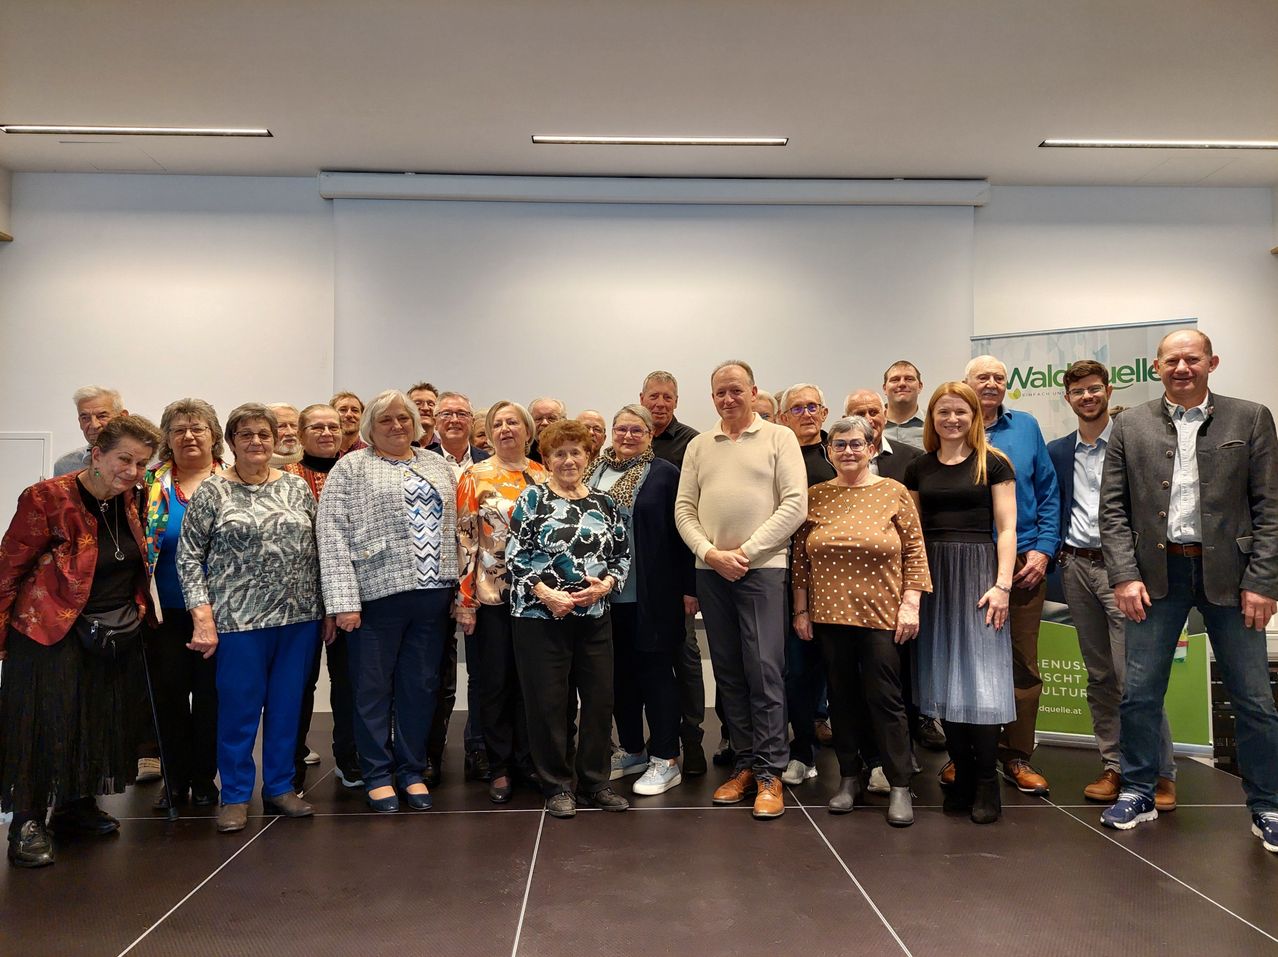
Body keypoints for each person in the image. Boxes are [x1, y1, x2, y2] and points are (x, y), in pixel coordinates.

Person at [1100, 330, 1278, 852]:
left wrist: (1263, 580)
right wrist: (1123, 575)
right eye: (1172, 360)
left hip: (1232, 577)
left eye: (1192, 359)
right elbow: (1113, 509)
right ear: (1156, 367)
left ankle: (1267, 804)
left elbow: (1270, 508)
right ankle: (1138, 790)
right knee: (1139, 693)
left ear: (1211, 363)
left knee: (1254, 698)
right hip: (1156, 576)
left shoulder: (1251, 418)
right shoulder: (1128, 424)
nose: (1182, 367)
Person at [0, 414, 161, 868]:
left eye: (141, 463)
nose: (132, 471)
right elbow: (8, 569)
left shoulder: (133, 497)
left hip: (110, 630)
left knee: (93, 719)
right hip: (48, 631)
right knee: (44, 726)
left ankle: (74, 807)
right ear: (97, 454)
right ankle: (27, 823)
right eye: (124, 459)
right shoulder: (46, 497)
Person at [178, 403, 326, 834]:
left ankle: (280, 787)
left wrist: (328, 608)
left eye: (264, 434)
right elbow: (188, 558)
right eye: (246, 435)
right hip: (238, 621)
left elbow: (319, 549)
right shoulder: (212, 491)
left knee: (287, 707)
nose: (257, 442)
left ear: (275, 440)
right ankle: (236, 795)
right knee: (239, 711)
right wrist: (202, 616)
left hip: (299, 618)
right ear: (231, 442)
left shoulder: (296, 487)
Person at [675, 360, 807, 820]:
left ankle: (771, 772)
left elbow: (795, 505)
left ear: (753, 392)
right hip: (712, 571)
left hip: (762, 569)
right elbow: (684, 509)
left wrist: (745, 552)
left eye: (736, 390)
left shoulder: (779, 437)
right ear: (712, 397)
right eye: (720, 392)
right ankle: (746, 764)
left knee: (764, 669)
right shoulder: (699, 445)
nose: (728, 399)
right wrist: (710, 553)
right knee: (729, 671)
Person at [316, 390, 459, 814]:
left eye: (404, 418)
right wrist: (343, 600)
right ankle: (377, 774)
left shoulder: (437, 464)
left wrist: (461, 592)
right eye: (386, 420)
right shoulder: (351, 467)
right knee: (372, 689)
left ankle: (411, 770)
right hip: (375, 596)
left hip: (434, 595)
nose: (397, 426)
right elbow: (332, 534)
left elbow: (458, 528)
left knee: (421, 687)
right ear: (369, 427)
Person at [1048, 360, 1177, 807]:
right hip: (1076, 567)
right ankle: (1114, 765)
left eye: (1094, 388)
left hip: (1123, 571)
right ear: (1067, 398)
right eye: (1078, 391)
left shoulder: (1133, 440)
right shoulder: (1058, 451)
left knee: (1134, 678)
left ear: (1108, 390)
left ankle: (1159, 773)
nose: (1087, 396)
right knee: (1100, 676)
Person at [792, 415, 930, 825]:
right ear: (828, 451)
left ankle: (898, 783)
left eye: (856, 444)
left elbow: (915, 551)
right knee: (841, 699)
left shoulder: (893, 491)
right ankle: (849, 778)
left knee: (886, 699)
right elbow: (800, 561)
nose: (848, 451)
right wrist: (801, 610)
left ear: (871, 448)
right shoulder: (815, 496)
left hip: (882, 615)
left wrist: (911, 604)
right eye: (840, 444)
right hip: (829, 615)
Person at [507, 419, 631, 818]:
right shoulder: (532, 498)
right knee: (548, 704)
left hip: (593, 616)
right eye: (559, 453)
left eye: (575, 452)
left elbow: (621, 556)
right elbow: (514, 555)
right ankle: (557, 785)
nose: (568, 460)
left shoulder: (605, 502)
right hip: (540, 617)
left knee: (599, 700)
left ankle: (595, 782)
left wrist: (605, 586)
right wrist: (547, 594)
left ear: (588, 456)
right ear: (546, 459)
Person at [905, 382, 1017, 824]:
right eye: (943, 412)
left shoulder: (994, 462)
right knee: (943, 675)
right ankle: (964, 773)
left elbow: (1007, 528)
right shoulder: (918, 468)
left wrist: (1002, 585)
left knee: (982, 678)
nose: (952, 419)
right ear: (932, 418)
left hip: (978, 574)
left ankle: (987, 779)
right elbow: (913, 533)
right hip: (933, 575)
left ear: (974, 417)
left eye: (960, 412)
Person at [585, 405, 696, 796]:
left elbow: (683, 532)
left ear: (650, 435)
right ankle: (632, 749)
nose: (627, 436)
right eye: (621, 429)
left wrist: (689, 588)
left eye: (637, 430)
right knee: (617, 678)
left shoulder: (664, 473)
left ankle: (666, 757)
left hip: (652, 594)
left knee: (656, 675)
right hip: (603, 597)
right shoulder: (593, 471)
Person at [964, 355, 1060, 796]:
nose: (991, 383)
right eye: (982, 377)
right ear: (966, 382)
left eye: (998, 377)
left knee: (1022, 661)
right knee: (967, 659)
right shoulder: (953, 423)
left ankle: (1016, 755)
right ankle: (965, 754)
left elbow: (1048, 491)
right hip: (967, 560)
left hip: (1023, 561)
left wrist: (1044, 550)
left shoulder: (1025, 427)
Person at [456, 401, 547, 803]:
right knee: (495, 682)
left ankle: (529, 760)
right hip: (492, 595)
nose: (506, 428)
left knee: (533, 682)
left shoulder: (543, 474)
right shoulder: (474, 476)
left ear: (528, 431)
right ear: (490, 433)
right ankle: (499, 766)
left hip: (539, 598)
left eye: (513, 422)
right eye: (498, 423)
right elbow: (464, 540)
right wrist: (465, 599)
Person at [844, 387, 941, 758]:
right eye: (859, 413)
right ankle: (868, 752)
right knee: (861, 674)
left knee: (904, 664)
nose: (868, 419)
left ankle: (908, 742)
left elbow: (918, 530)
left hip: (901, 584)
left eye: (873, 411)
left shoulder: (911, 459)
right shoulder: (838, 460)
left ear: (884, 414)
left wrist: (912, 589)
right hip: (852, 588)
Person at [142, 399, 225, 813]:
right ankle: (174, 781)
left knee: (213, 700)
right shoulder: (147, 485)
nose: (189, 436)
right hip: (166, 614)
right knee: (169, 699)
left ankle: (205, 778)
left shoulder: (233, 482)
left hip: (223, 613)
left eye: (198, 428)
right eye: (179, 430)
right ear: (167, 438)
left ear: (214, 436)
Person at [284, 404, 363, 789]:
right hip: (300, 600)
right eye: (317, 427)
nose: (327, 433)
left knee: (350, 683)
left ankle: (350, 759)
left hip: (349, 595)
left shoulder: (357, 472)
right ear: (300, 434)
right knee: (298, 687)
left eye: (333, 426)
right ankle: (290, 770)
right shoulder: (286, 478)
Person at [639, 371, 706, 776]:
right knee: (650, 663)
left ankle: (692, 738)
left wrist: (689, 585)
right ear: (641, 398)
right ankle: (655, 742)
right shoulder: (628, 446)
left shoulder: (692, 443)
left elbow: (694, 515)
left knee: (686, 658)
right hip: (643, 581)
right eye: (654, 396)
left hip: (678, 576)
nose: (660, 403)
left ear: (676, 401)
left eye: (667, 397)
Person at [424, 390, 492, 785]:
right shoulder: (421, 461)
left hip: (480, 580)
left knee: (482, 670)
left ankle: (479, 748)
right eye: (446, 413)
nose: (454, 419)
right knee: (435, 672)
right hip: (433, 578)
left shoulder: (488, 462)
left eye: (461, 413)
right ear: (435, 421)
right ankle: (429, 753)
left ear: (471, 420)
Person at [777, 383, 834, 787]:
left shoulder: (838, 454)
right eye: (797, 408)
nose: (806, 413)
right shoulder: (776, 454)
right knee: (796, 669)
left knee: (839, 669)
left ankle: (864, 759)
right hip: (782, 576)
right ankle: (801, 752)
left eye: (813, 406)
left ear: (825, 412)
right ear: (783, 417)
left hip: (834, 578)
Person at [53, 385, 128, 476]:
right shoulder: (65, 466)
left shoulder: (142, 462)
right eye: (85, 418)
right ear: (80, 422)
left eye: (102, 416)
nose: (94, 425)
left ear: (123, 417)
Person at [882, 361, 925, 447]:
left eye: (909, 379)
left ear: (920, 387)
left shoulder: (933, 425)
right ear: (885, 389)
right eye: (895, 380)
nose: (902, 384)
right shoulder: (872, 426)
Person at [527, 396, 566, 464]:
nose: (544, 423)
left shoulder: (573, 449)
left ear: (563, 421)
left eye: (551, 418)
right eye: (538, 419)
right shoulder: (522, 453)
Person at [330, 391, 367, 455]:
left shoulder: (373, 456)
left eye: (355, 410)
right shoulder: (320, 452)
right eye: (343, 410)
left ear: (362, 416)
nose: (349, 415)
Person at [267, 403, 303, 468]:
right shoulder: (252, 466)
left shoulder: (315, 464)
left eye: (294, 425)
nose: (290, 432)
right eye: (281, 426)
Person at [408, 381, 440, 451]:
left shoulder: (446, 449)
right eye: (418, 403)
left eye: (431, 404)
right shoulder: (397, 446)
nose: (425, 408)